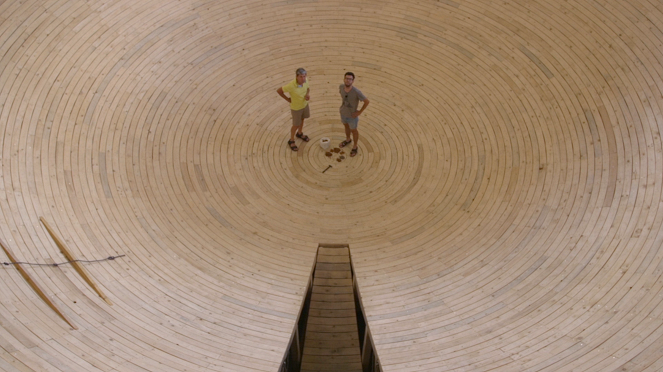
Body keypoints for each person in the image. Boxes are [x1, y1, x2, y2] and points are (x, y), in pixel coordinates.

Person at [277, 68, 311, 151]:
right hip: (296, 108)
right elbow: (279, 91)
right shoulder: (291, 85)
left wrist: (307, 95)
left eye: (304, 76)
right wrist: (288, 99)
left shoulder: (306, 80)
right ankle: (291, 140)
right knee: (296, 124)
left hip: (304, 105)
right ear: (296, 76)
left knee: (302, 119)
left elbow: (308, 88)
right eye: (301, 77)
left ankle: (299, 133)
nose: (303, 78)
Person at [338, 72, 369, 157]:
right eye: (346, 78)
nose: (348, 80)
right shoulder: (341, 87)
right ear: (344, 79)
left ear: (353, 81)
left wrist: (359, 112)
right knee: (346, 127)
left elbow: (367, 101)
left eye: (350, 79)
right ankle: (348, 139)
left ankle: (355, 146)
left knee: (354, 131)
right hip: (343, 113)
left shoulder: (356, 92)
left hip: (352, 116)